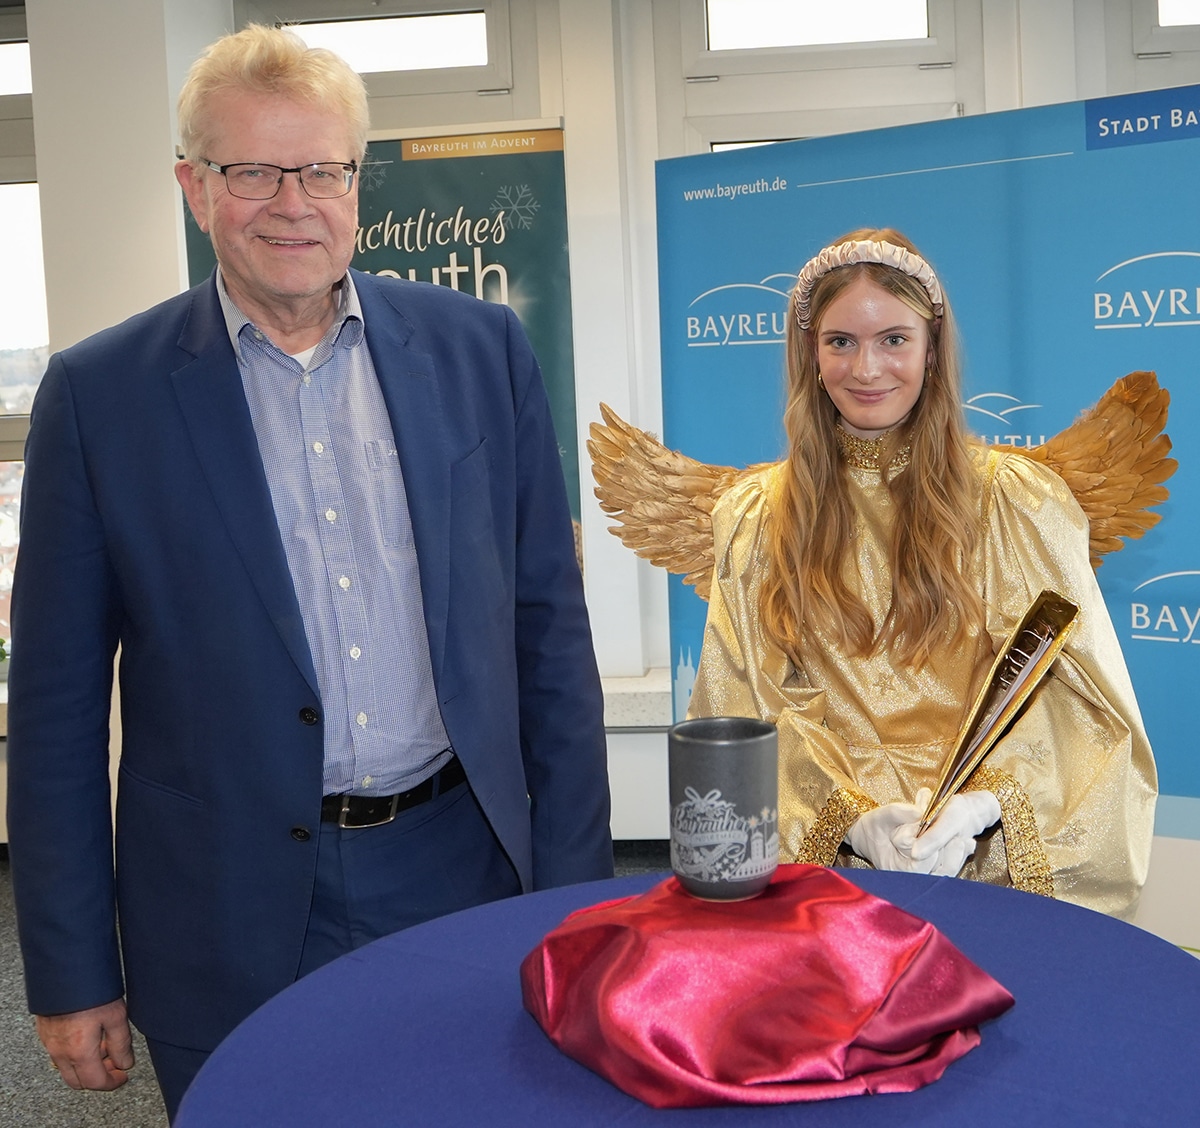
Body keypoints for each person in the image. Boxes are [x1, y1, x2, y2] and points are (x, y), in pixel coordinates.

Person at [7, 24, 612, 1120]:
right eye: (252, 171)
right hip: (220, 904)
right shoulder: (102, 398)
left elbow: (547, 635)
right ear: (195, 188)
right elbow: (51, 712)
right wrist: (72, 967)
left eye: (322, 169)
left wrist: (576, 900)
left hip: (459, 871)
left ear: (356, 182)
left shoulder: (480, 350)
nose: (294, 202)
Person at [687, 227, 1157, 918]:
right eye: (840, 341)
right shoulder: (758, 516)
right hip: (829, 873)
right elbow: (743, 701)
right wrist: (850, 817)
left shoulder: (1016, 501)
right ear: (809, 355)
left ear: (933, 349)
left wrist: (982, 806)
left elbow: (1082, 700)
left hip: (987, 866)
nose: (867, 368)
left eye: (894, 340)